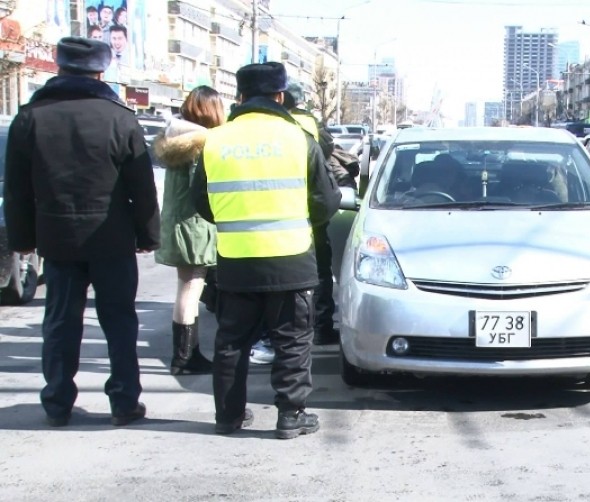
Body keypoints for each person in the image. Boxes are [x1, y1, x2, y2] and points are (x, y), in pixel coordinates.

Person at [3, 37, 160, 427]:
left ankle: (57, 401)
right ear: (101, 71)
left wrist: (23, 239)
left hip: (57, 238)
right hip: (112, 236)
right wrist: (148, 234)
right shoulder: (119, 118)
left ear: (59, 67)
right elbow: (140, 186)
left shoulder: (30, 117)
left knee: (59, 321)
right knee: (120, 320)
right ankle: (124, 401)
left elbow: (17, 190)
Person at [191, 62, 340, 438]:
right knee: (292, 340)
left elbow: (202, 203)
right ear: (280, 96)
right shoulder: (297, 138)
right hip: (291, 259)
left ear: (239, 97)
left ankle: (228, 417)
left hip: (236, 261)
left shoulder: (216, 140)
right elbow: (325, 202)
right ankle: (291, 416)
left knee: (231, 342)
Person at [153, 86, 224, 375]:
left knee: (186, 288)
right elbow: (203, 190)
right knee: (191, 289)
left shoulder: (175, 139)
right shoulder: (201, 144)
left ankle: (186, 354)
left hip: (178, 222)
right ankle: (185, 357)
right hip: (195, 226)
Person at [283, 81, 357, 346]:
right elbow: (325, 154)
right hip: (309, 211)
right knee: (319, 271)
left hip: (275, 212)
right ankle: (321, 326)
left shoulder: (267, 128)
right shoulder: (310, 125)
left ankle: (281, 330)